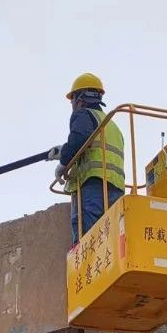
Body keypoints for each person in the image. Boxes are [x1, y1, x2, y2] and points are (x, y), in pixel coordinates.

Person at [49, 72, 126, 243]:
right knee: (110, 237)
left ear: (79, 99)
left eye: (72, 101)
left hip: (93, 186)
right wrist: (64, 149)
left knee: (88, 241)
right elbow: (91, 142)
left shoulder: (82, 114)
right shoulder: (110, 124)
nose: (72, 105)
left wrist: (63, 164)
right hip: (116, 188)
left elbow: (80, 138)